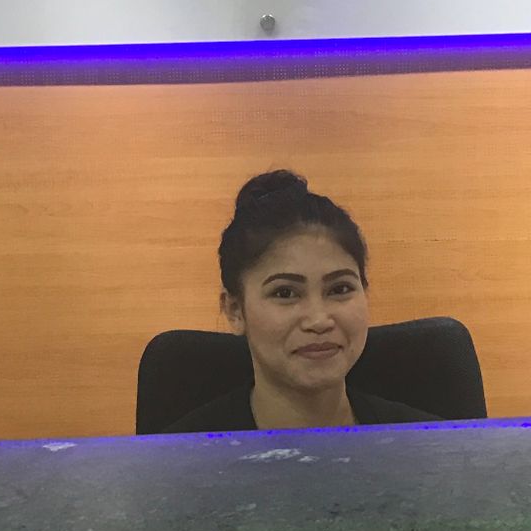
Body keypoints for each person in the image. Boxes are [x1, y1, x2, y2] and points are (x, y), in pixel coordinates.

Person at [162, 170, 438, 432]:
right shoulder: (181, 456)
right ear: (235, 311)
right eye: (285, 293)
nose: (319, 320)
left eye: (340, 289)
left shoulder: (429, 445)